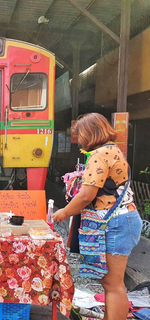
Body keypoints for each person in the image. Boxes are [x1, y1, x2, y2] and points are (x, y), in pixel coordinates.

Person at [53, 113, 142, 320]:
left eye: (80, 135)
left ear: (90, 133)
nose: (79, 141)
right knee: (109, 282)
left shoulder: (99, 155)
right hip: (122, 221)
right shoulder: (112, 150)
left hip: (117, 223)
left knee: (113, 284)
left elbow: (86, 195)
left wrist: (64, 212)